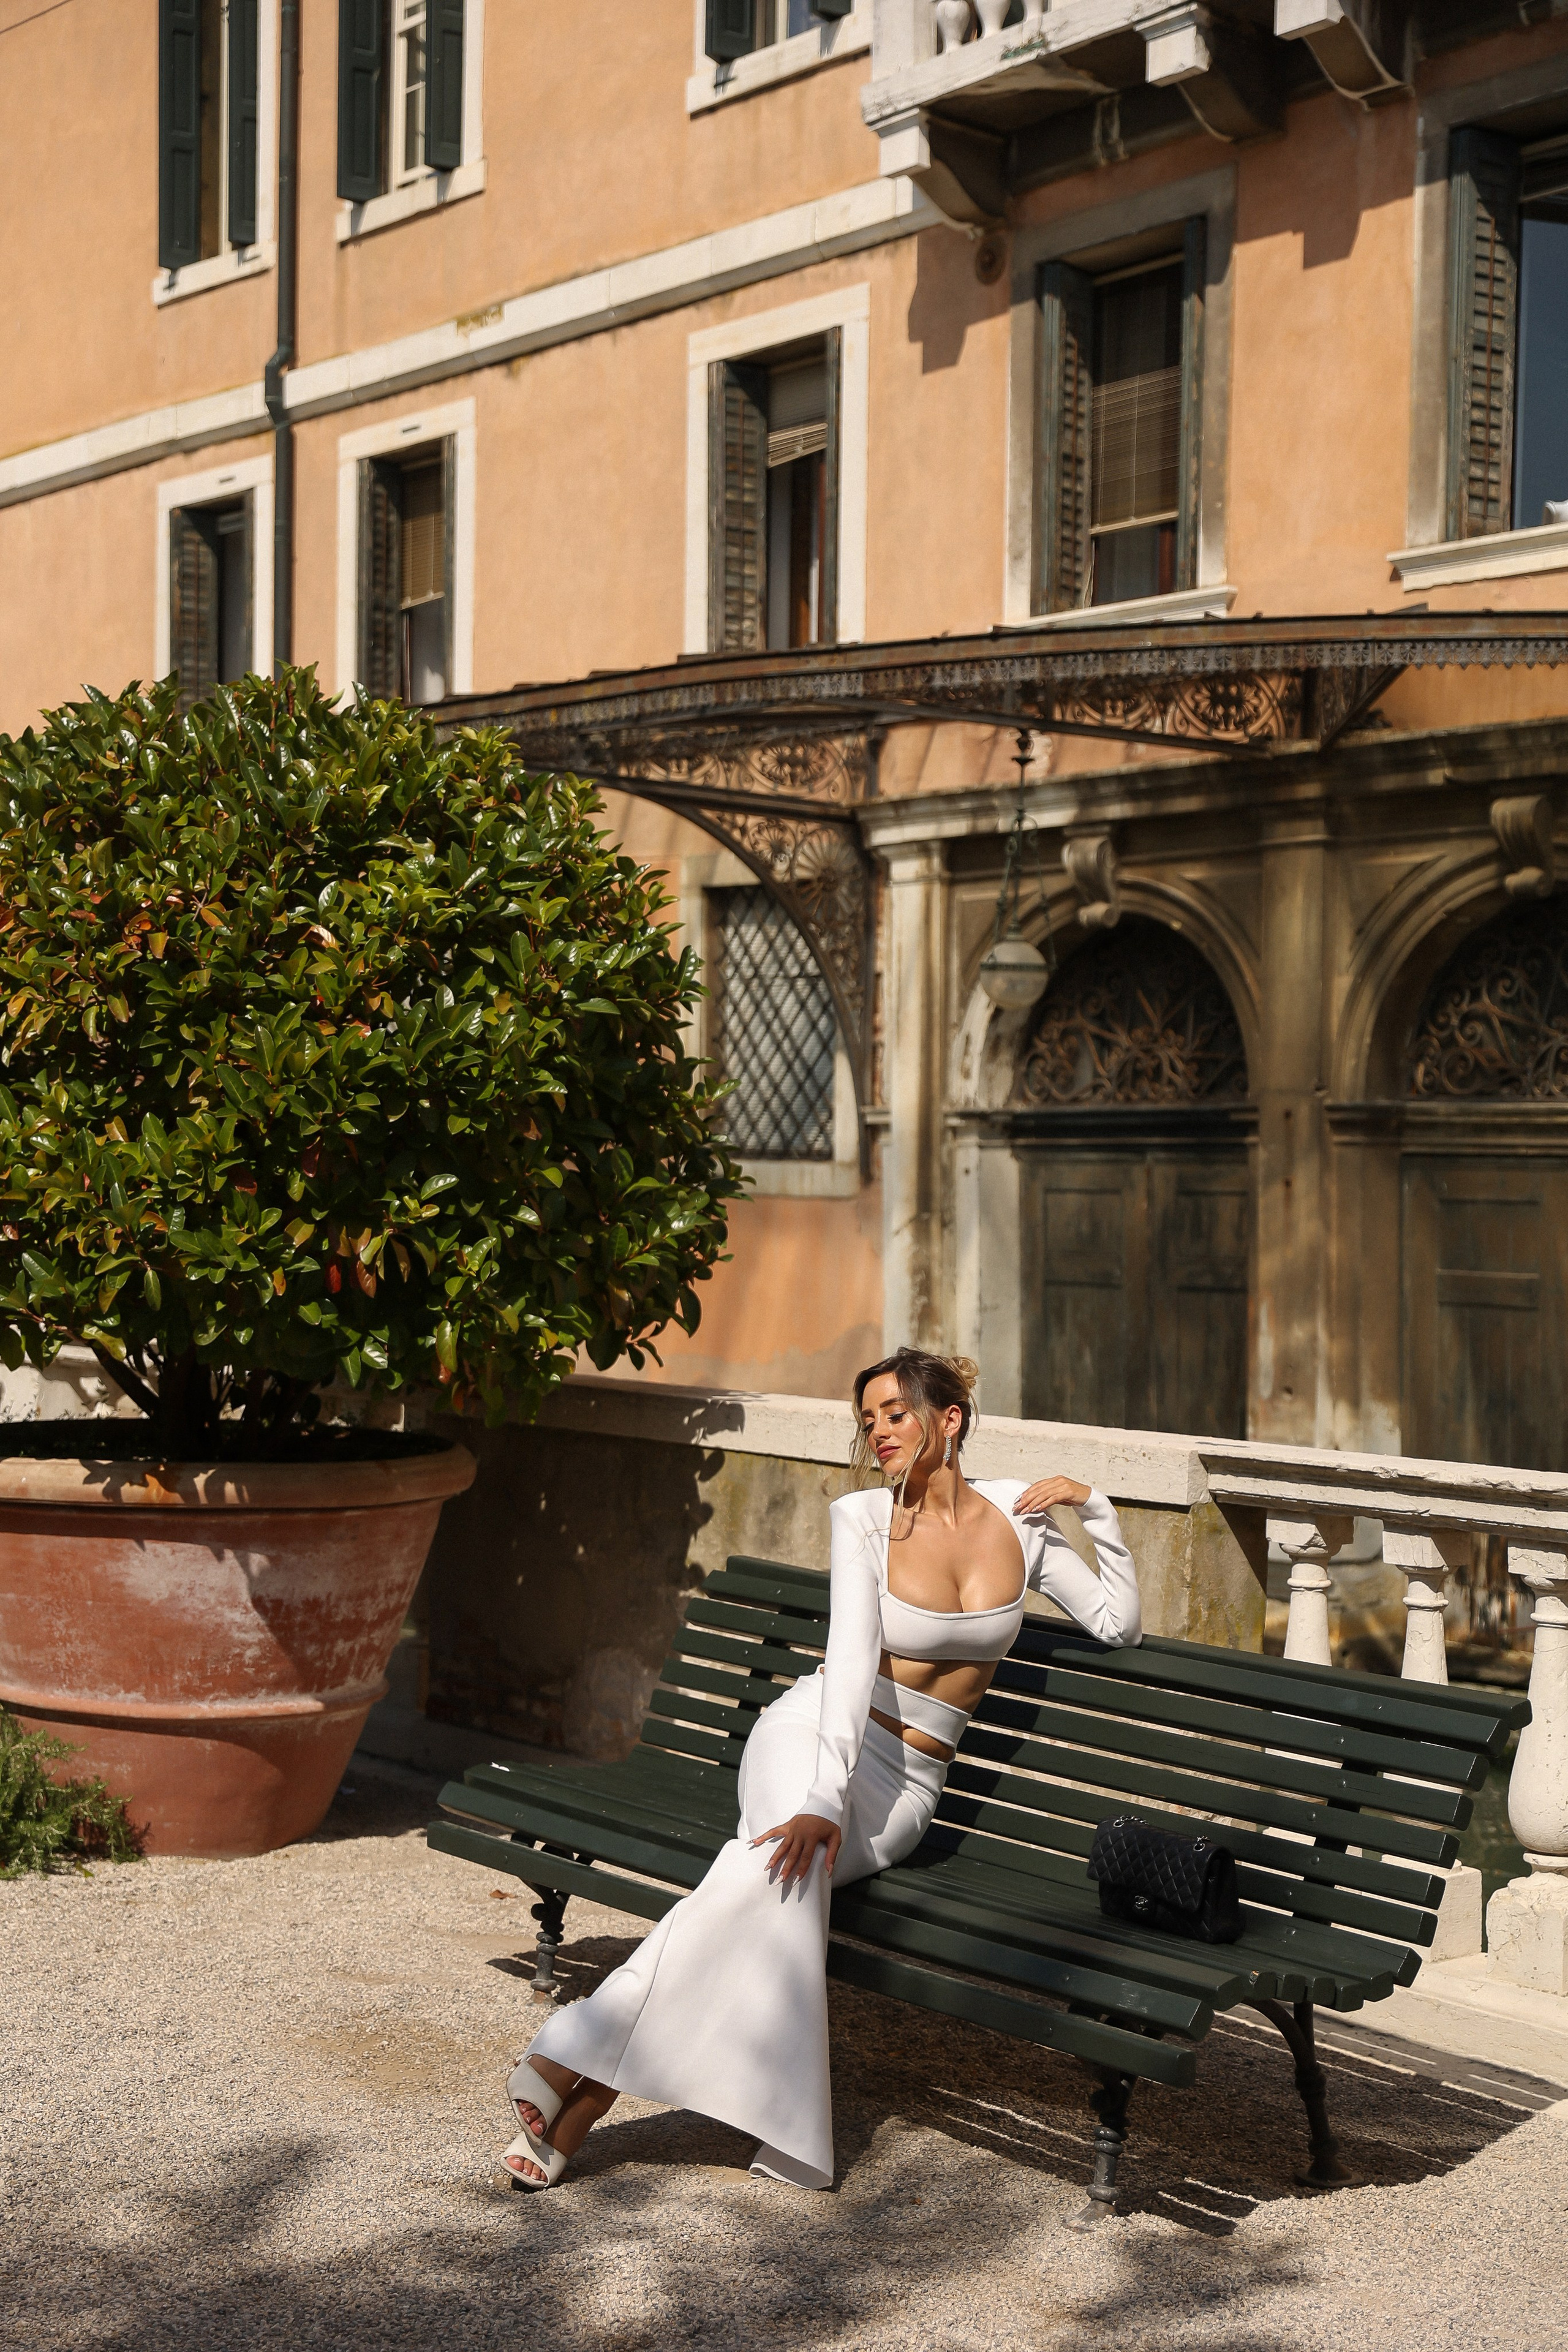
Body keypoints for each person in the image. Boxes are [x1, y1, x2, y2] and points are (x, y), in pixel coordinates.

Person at [502, 1346, 1141, 2191]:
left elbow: (1118, 1622)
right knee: (780, 1867)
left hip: (910, 1785)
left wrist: (1093, 1507)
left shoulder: (1020, 1521)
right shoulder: (865, 1522)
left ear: (949, 1420)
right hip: (814, 1738)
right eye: (868, 1417)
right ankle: (579, 2105)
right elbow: (846, 1670)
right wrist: (821, 1797)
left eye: (895, 1413)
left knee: (760, 1885)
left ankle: (573, 2069)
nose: (877, 1430)